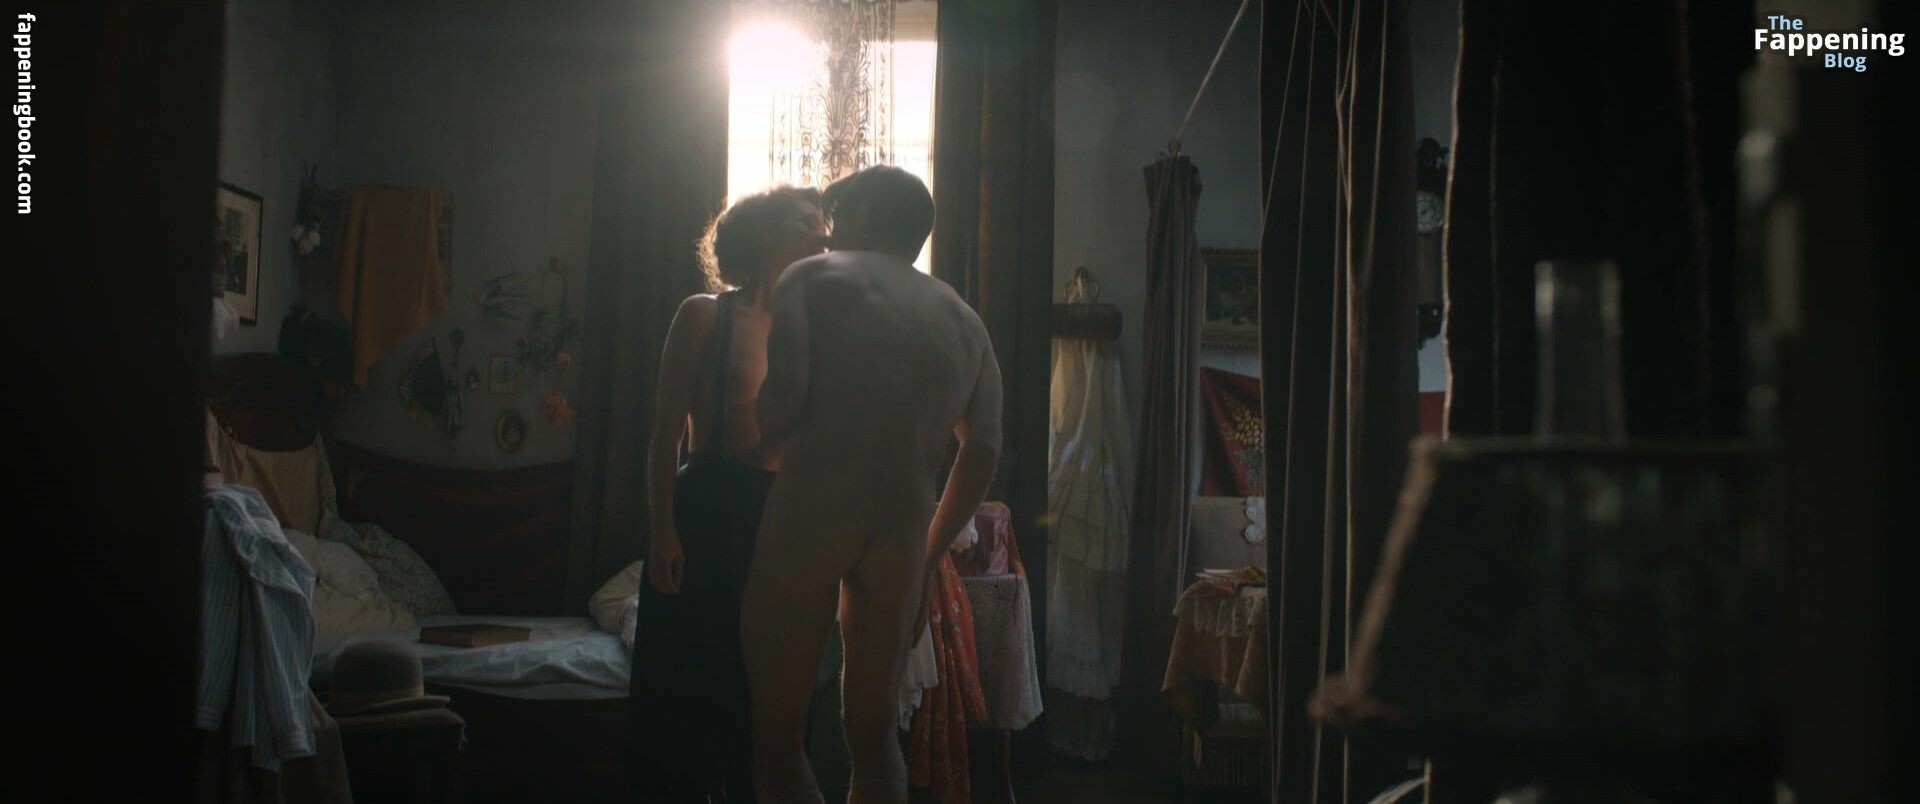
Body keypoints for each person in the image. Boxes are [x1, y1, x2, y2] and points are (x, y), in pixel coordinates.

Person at [741, 166, 1004, 804]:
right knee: (873, 730)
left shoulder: (812, 278)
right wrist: (930, 554)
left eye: (835, 218)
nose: (828, 234)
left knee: (777, 732)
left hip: (812, 513)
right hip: (900, 532)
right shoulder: (966, 321)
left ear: (857, 215)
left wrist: (749, 440)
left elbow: (782, 402)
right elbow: (984, 447)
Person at [627, 186, 828, 804]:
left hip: (779, 516)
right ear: (766, 233)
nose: (824, 235)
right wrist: (663, 532)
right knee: (694, 680)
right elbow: (665, 434)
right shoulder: (704, 316)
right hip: (709, 508)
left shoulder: (811, 329)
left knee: (763, 688)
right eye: (809, 222)